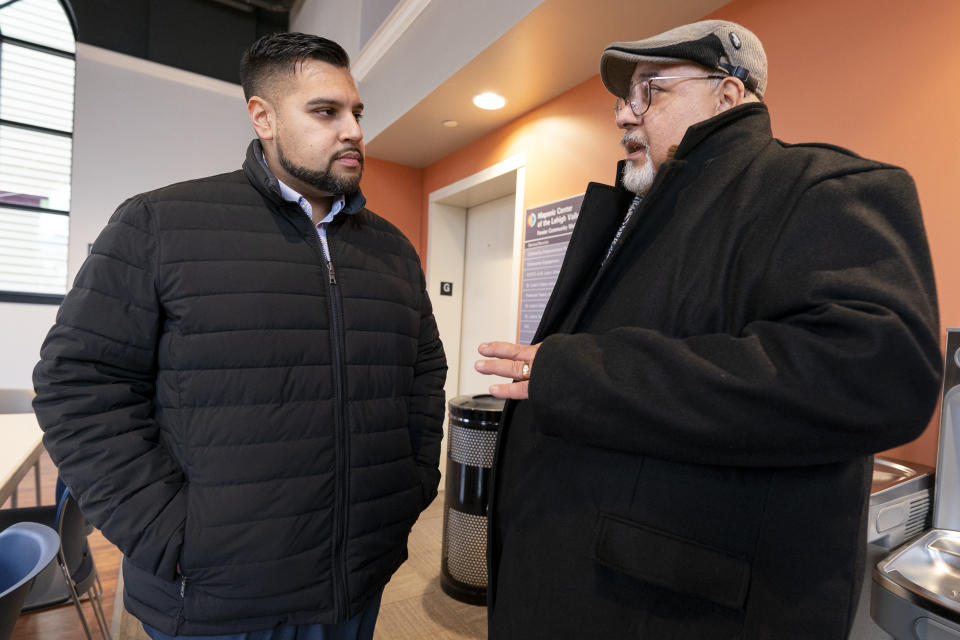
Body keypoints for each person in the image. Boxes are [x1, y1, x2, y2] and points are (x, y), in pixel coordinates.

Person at [475, 19, 942, 639]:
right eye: (623, 97)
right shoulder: (638, 219)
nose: (623, 116)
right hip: (577, 590)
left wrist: (578, 374)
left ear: (728, 95)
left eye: (652, 91)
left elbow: (879, 374)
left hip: (671, 611)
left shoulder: (818, 189)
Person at [32, 32, 446, 639]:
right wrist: (168, 531)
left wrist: (411, 485)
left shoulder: (392, 251)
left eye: (357, 112)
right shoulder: (159, 225)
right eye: (326, 112)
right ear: (264, 117)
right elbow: (76, 386)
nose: (353, 130)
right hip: (213, 599)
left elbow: (422, 374)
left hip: (353, 585)